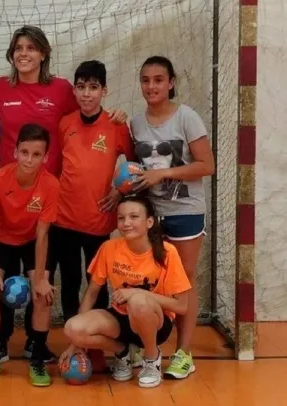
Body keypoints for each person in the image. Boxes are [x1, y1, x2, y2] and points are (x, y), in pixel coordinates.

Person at [0, 26, 127, 361]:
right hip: (8, 198)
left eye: (31, 48)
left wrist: (117, 115)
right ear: (12, 54)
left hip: (50, 201)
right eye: (19, 48)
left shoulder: (62, 89)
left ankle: (44, 343)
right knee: (3, 277)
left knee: (44, 278)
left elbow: (89, 111)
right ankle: (0, 343)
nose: (24, 54)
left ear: (43, 53)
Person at [129, 56, 215, 379]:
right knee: (151, 278)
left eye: (158, 80)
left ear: (171, 82)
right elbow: (137, 169)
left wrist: (163, 174)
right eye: (146, 80)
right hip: (153, 213)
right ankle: (148, 346)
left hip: (185, 211)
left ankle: (184, 353)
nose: (151, 86)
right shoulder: (136, 123)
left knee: (183, 280)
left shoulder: (186, 117)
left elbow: (207, 165)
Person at [52, 60, 136, 371]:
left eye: (93, 87)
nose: (87, 93)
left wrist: (119, 192)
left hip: (98, 223)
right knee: (70, 282)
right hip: (64, 220)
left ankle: (97, 345)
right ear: (74, 90)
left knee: (96, 285)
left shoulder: (116, 125)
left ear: (104, 91)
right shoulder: (65, 124)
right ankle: (76, 344)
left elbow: (134, 168)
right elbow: (57, 168)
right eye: (81, 87)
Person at [60, 195, 192, 388]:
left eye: (134, 217)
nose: (126, 223)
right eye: (121, 218)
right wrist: (75, 344)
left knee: (138, 302)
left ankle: (151, 359)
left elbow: (182, 306)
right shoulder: (109, 248)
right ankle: (123, 353)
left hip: (154, 321)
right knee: (72, 329)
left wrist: (139, 294)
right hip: (120, 318)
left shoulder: (167, 252)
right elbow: (91, 294)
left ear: (149, 222)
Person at [0, 124, 59, 387]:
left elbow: (42, 234)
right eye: (25, 152)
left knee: (42, 294)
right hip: (1, 240)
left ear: (46, 157)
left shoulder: (51, 184)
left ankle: (37, 359)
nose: (29, 160)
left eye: (36, 154)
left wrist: (40, 278)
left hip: (32, 241)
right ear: (15, 152)